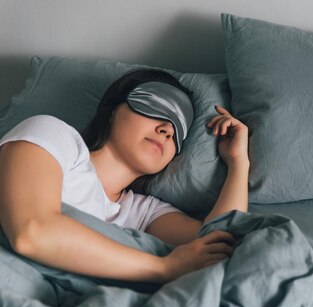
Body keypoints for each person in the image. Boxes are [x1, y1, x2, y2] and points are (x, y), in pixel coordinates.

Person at [0, 68, 250, 284]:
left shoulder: (143, 213)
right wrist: (163, 268)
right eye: (156, 108)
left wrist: (238, 163)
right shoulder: (53, 135)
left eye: (177, 132)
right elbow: (31, 232)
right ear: (111, 110)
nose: (166, 130)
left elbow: (218, 245)